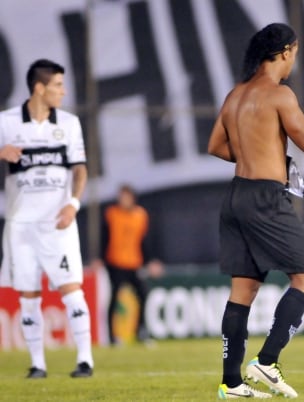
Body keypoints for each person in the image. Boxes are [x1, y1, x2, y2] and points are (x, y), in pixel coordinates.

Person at [207, 23, 304, 399]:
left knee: (243, 289)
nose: (295, 58)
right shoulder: (279, 94)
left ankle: (231, 384)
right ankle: (267, 360)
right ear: (285, 51)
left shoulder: (236, 94)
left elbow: (215, 145)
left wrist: (252, 153)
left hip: (236, 195)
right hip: (264, 198)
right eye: (294, 52)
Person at [0, 59, 93, 378]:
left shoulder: (68, 123)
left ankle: (85, 361)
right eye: (57, 85)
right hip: (20, 225)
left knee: (72, 289)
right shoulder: (6, 122)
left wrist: (73, 203)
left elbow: (79, 168)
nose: (63, 92)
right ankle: (37, 364)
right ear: (39, 88)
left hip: (58, 222)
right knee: (27, 294)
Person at [97, 184, 162, 345]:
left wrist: (150, 261)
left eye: (126, 196)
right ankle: (112, 336)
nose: (123, 200)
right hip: (115, 262)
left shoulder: (140, 215)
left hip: (134, 263)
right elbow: (104, 238)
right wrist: (99, 258)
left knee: (143, 294)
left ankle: (141, 331)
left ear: (132, 198)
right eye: (121, 196)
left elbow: (144, 241)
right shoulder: (112, 214)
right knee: (113, 298)